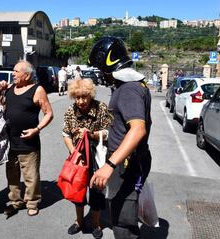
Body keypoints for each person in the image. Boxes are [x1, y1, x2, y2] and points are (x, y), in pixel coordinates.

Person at [88, 36, 152, 239]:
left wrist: (110, 165)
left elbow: (138, 129)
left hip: (125, 165)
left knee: (123, 224)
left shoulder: (128, 89)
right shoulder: (135, 85)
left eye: (100, 69)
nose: (100, 75)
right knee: (120, 212)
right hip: (130, 161)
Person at [0, 60, 53, 217]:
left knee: (31, 175)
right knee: (12, 175)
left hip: (29, 141)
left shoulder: (37, 90)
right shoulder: (10, 88)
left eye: (16, 71)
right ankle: (15, 201)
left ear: (26, 75)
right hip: (9, 141)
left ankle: (32, 202)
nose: (12, 74)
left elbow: (49, 113)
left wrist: (37, 129)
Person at [62, 78, 112, 239]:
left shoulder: (101, 108)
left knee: (96, 190)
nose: (81, 101)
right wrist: (73, 153)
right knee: (77, 190)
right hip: (78, 158)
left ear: (90, 95)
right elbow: (66, 134)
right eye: (77, 97)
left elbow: (108, 131)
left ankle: (96, 223)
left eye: (84, 97)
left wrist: (92, 134)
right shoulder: (71, 110)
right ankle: (79, 221)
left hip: (97, 157)